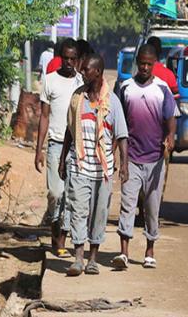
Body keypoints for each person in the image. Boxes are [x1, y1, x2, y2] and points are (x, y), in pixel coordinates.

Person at [59, 54, 128, 276]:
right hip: (79, 166)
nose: (82, 72)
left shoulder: (113, 102)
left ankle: (92, 259)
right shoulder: (77, 98)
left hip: (103, 170)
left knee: (99, 214)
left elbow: (122, 135)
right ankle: (78, 259)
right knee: (78, 211)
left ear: (97, 72)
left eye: (86, 70)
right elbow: (69, 132)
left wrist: (124, 164)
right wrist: (62, 160)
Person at [112, 44, 177, 270]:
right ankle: (124, 252)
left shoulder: (162, 89)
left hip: (155, 159)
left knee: (152, 206)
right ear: (137, 63)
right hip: (131, 158)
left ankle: (150, 250)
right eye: (142, 63)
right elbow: (117, 121)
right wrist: (115, 153)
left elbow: (170, 117)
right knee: (127, 204)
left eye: (150, 64)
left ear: (155, 64)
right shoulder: (126, 88)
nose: (145, 68)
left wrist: (170, 136)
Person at [35, 38, 82, 258]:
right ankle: (55, 230)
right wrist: (39, 150)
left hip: (75, 146)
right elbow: (44, 116)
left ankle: (60, 242)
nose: (69, 62)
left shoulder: (81, 82)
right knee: (56, 193)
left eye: (73, 58)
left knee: (70, 196)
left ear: (77, 59)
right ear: (60, 58)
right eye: (66, 58)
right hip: (55, 145)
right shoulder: (50, 80)